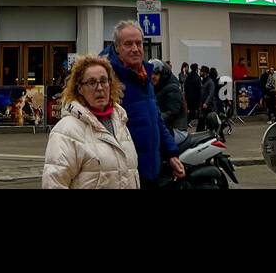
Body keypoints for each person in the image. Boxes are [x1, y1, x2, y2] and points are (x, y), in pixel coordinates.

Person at [103, 22, 183, 187]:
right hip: (125, 174)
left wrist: (171, 153)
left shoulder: (144, 75)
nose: (135, 49)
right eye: (128, 44)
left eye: (138, 43)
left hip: (151, 170)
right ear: (117, 47)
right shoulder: (108, 78)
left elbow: (156, 120)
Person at [42, 54, 139, 189]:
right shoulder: (66, 130)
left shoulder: (121, 122)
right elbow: (54, 183)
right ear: (80, 88)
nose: (99, 88)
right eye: (92, 82)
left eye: (104, 81)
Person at [150, 60, 188, 132]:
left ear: (163, 75)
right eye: (151, 73)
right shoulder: (158, 87)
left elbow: (171, 113)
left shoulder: (172, 88)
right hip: (166, 127)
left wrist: (152, 118)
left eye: (156, 74)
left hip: (176, 129)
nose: (152, 76)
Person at [197, 65, 217, 131]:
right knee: (201, 121)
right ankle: (199, 134)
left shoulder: (210, 82)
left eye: (201, 71)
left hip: (209, 106)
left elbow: (211, 94)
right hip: (203, 105)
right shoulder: (203, 81)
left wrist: (206, 103)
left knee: (209, 121)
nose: (200, 73)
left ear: (205, 72)